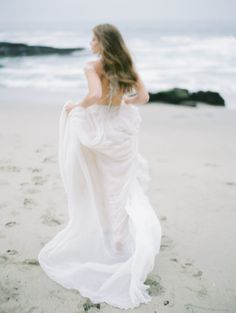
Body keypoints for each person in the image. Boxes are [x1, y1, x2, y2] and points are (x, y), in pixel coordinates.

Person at [38, 23, 162, 310]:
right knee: (121, 186)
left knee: (96, 182)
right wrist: (124, 102)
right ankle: (121, 240)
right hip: (122, 126)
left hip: (99, 127)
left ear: (103, 41)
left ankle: (108, 236)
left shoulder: (92, 66)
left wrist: (75, 107)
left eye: (93, 38)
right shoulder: (127, 64)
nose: (90, 42)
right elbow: (143, 97)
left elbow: (94, 95)